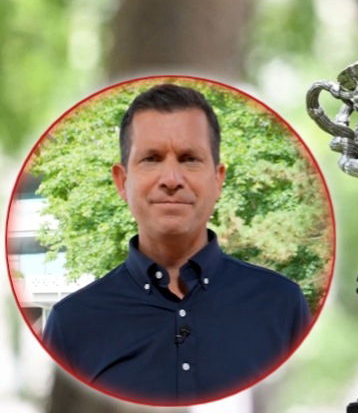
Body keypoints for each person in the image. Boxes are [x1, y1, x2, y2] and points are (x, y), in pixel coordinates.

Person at [43, 84, 310, 404]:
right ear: (122, 181)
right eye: (152, 158)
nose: (171, 179)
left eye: (189, 158)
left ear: (218, 179)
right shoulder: (72, 324)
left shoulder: (281, 305)